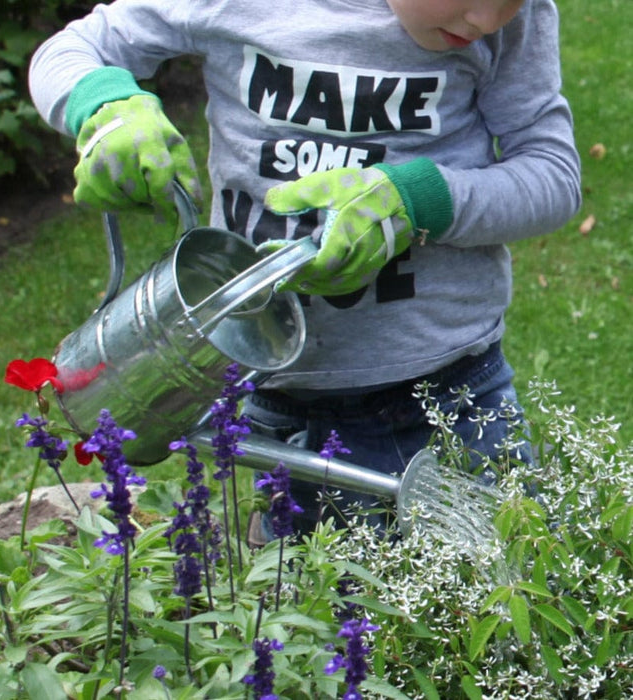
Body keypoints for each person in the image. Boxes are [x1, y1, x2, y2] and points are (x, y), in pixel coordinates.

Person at [29, 0, 581, 534]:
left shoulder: (513, 22)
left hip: (450, 396)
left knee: (499, 607)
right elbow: (74, 48)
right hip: (275, 401)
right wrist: (105, 109)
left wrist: (419, 199)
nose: (487, 19)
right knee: (307, 614)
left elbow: (552, 173)